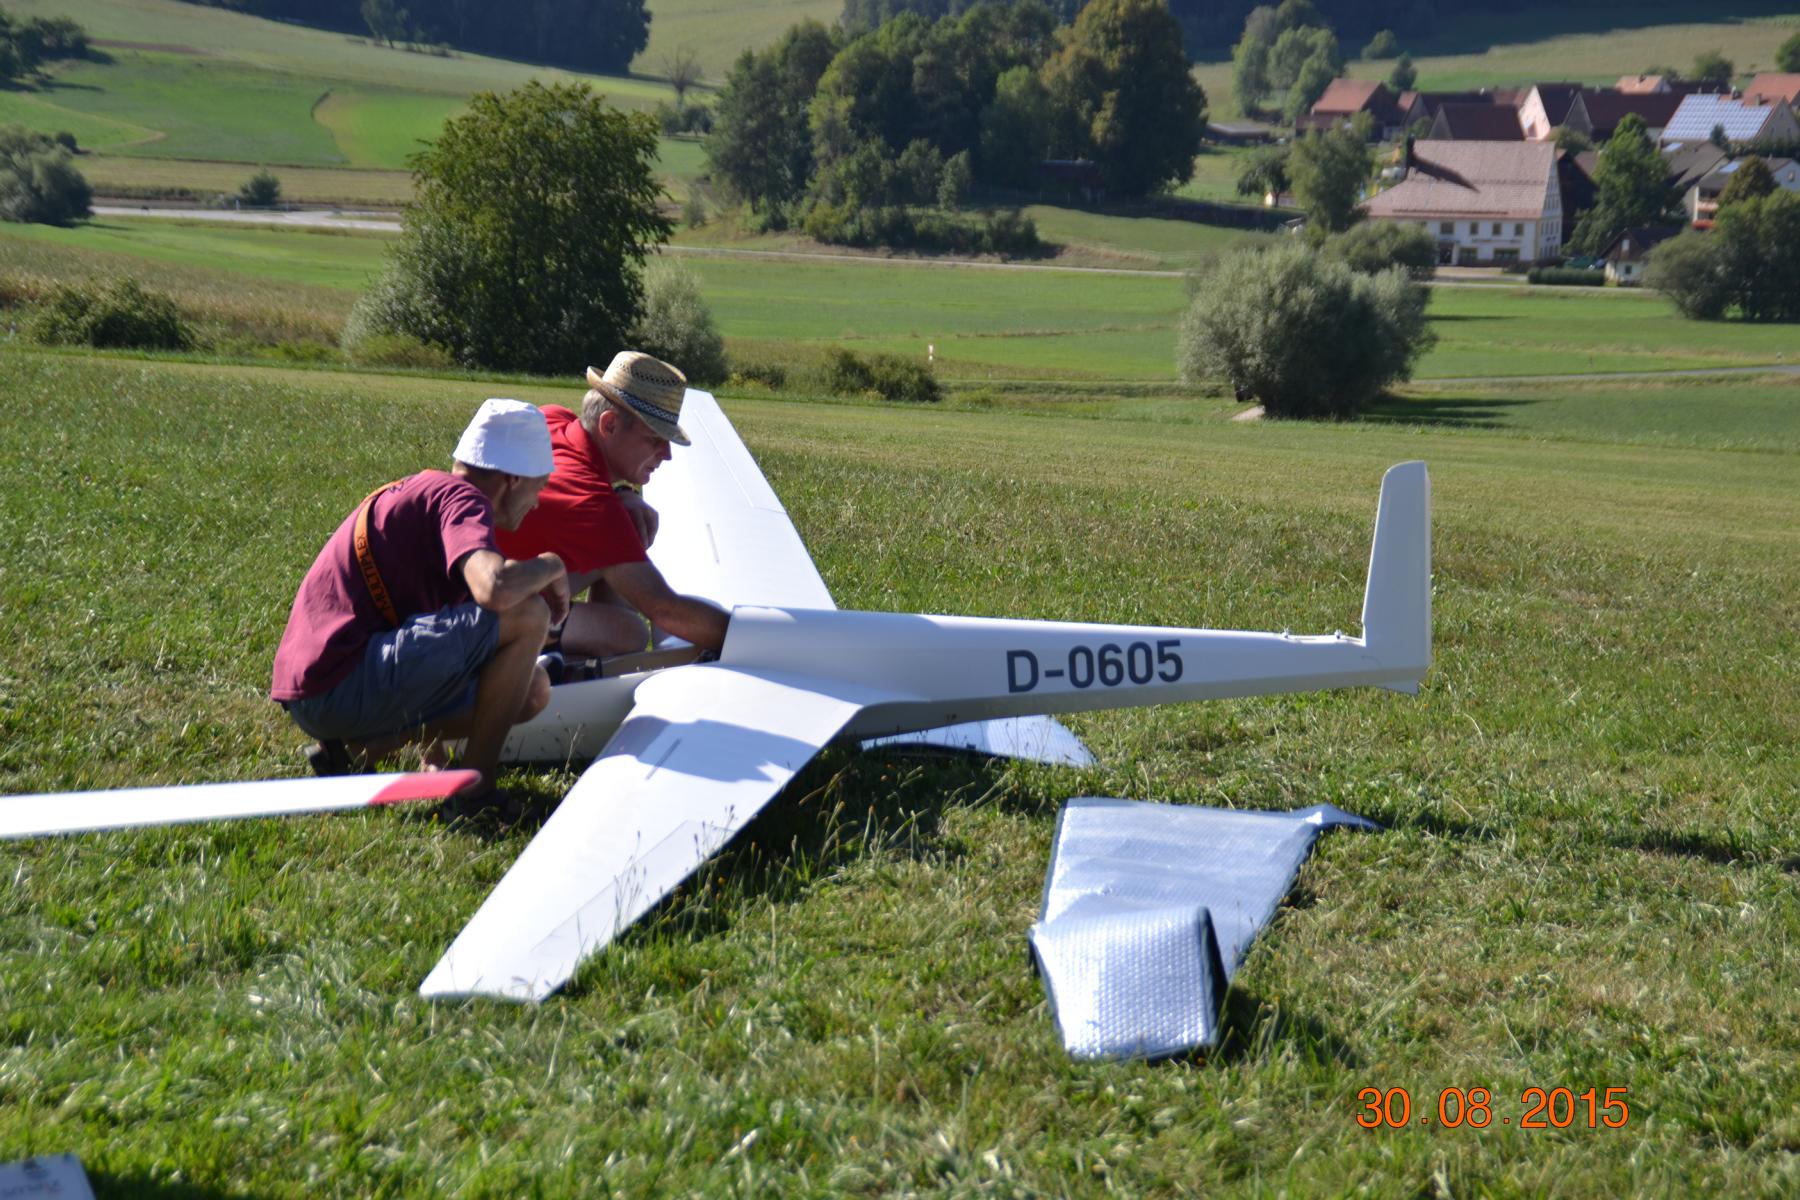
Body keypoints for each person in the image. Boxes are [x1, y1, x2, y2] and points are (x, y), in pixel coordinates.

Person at [270, 399, 571, 789]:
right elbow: (494, 589)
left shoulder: (430, 494)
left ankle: (364, 750)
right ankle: (475, 791)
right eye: (538, 487)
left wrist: (434, 754)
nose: (536, 502)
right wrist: (551, 564)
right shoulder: (463, 498)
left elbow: (426, 623)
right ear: (513, 479)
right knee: (528, 614)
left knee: (531, 690)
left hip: (322, 688)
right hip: (337, 683)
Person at [496, 351, 729, 658]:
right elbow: (664, 609)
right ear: (609, 425)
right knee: (628, 633)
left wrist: (622, 493)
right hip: (466, 613)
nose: (667, 454)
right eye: (654, 439)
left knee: (628, 524)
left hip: (479, 578)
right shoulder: (592, 505)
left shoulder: (552, 419)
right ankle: (546, 665)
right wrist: (758, 638)